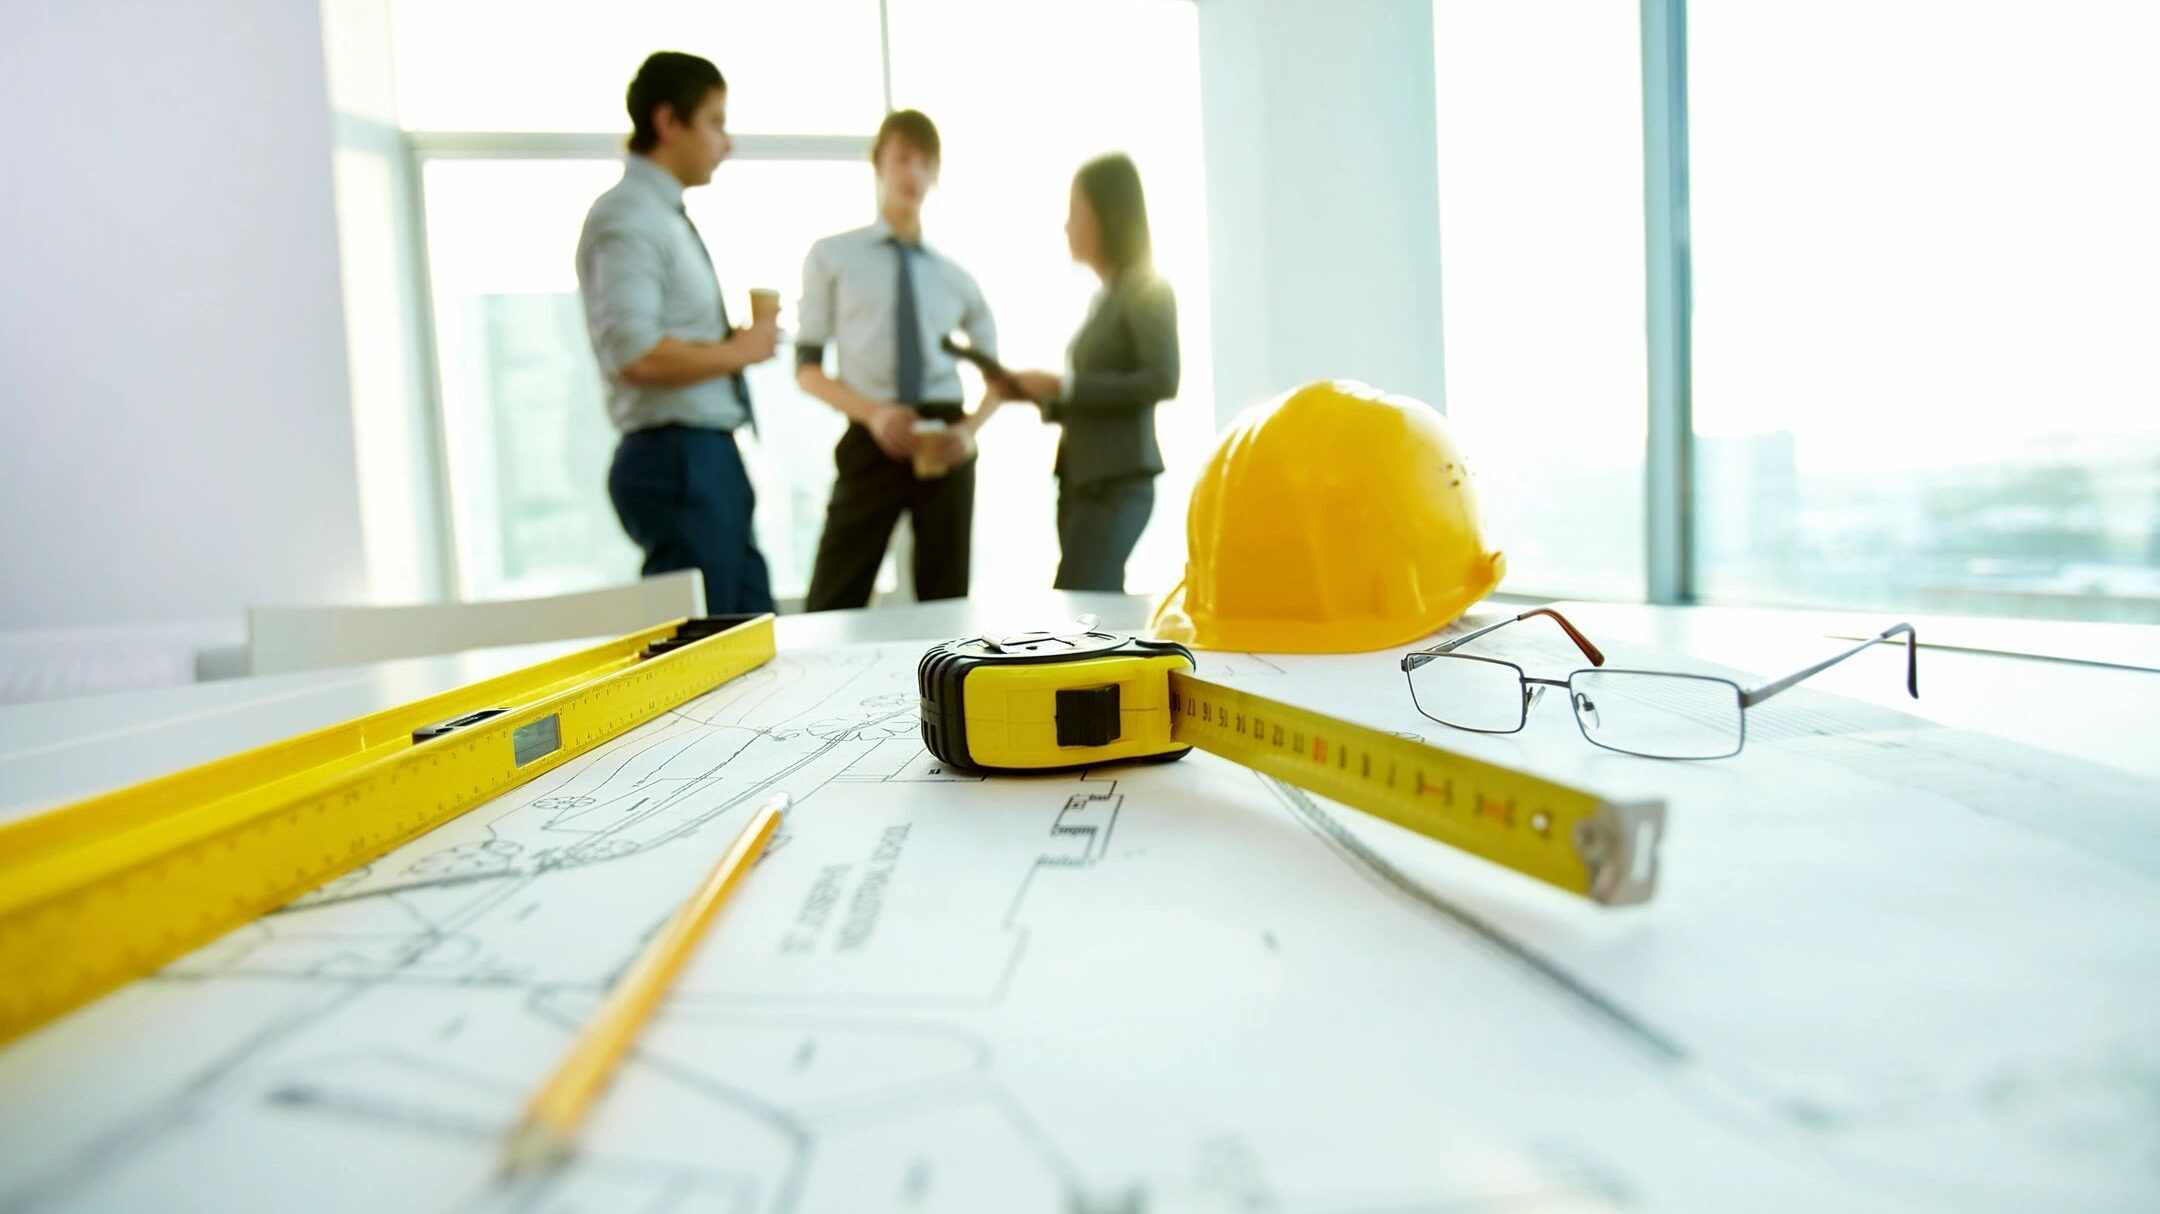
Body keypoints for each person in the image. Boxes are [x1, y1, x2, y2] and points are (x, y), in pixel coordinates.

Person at [574, 51, 780, 614]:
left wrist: (727, 348)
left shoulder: (659, 216)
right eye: (714, 122)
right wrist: (739, 351)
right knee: (706, 656)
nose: (726, 141)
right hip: (678, 461)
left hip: (704, 459)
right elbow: (635, 354)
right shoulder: (629, 216)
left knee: (755, 640)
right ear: (668, 122)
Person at [795, 110, 1002, 611]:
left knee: (947, 602)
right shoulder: (832, 257)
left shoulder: (955, 277)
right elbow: (807, 370)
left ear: (935, 174)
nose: (913, 172)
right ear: (879, 165)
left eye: (924, 162)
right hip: (873, 433)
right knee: (832, 600)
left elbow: (999, 377)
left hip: (945, 440)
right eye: (902, 158)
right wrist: (875, 415)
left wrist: (968, 431)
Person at [1000, 153, 1180, 593]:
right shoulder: (1107, 296)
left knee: (1077, 606)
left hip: (1115, 483)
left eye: (1075, 211)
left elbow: (1162, 378)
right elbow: (1094, 397)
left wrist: (1067, 385)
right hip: (1082, 481)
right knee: (1094, 613)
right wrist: (1041, 394)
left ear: (1109, 215)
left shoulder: (1146, 286)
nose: (1066, 226)